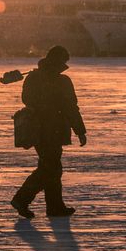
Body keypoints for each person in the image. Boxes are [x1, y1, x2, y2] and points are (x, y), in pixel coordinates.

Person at [10, 45, 87, 219]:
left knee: (51, 167)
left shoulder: (35, 77)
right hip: (49, 130)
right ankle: (22, 199)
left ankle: (55, 206)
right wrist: (80, 131)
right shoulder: (60, 81)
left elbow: (27, 99)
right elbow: (70, 108)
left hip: (40, 130)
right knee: (50, 168)